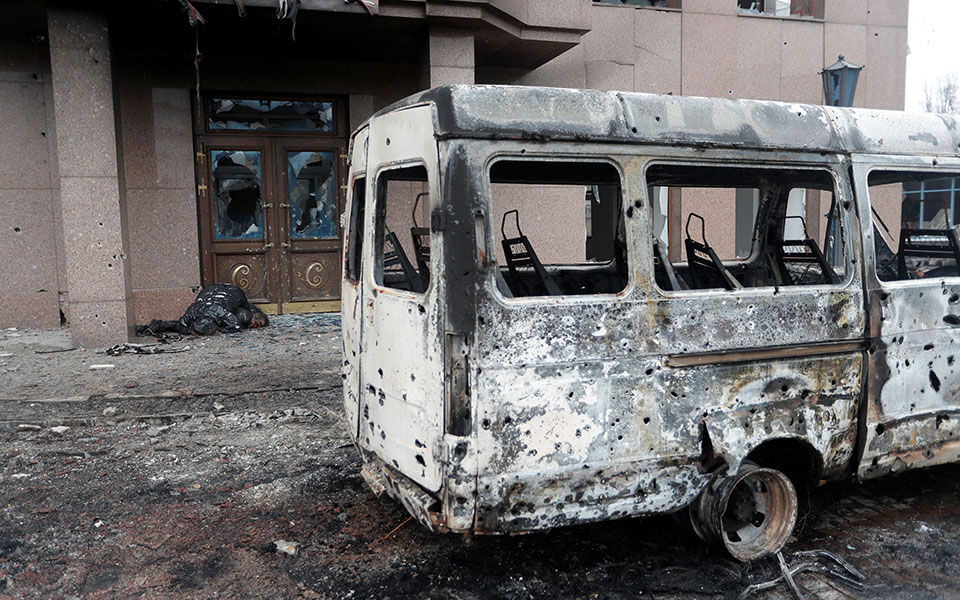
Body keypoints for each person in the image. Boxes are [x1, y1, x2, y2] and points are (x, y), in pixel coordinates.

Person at [136, 283, 268, 336]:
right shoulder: (225, 314)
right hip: (221, 293)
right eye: (257, 325)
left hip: (214, 292)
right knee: (243, 315)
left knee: (243, 314)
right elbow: (237, 327)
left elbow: (181, 324)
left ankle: (153, 326)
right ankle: (153, 326)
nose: (254, 327)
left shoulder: (194, 311)